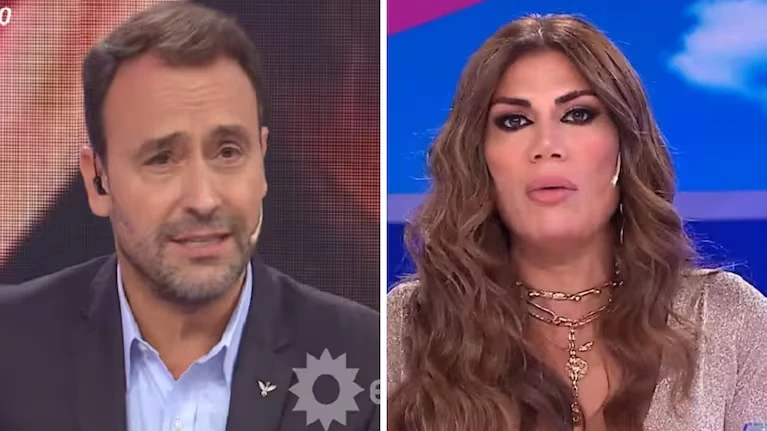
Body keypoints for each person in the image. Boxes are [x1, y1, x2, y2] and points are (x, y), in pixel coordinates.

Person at [0, 3, 379, 431]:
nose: (203, 199)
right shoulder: (10, 348)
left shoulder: (365, 356)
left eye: (228, 152)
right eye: (161, 159)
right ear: (98, 182)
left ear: (262, 162)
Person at [387, 13, 767, 431]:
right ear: (480, 158)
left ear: (623, 146)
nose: (547, 146)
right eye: (514, 121)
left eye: (578, 115)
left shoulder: (727, 319)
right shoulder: (404, 328)